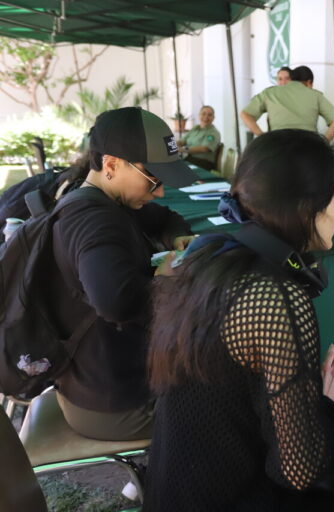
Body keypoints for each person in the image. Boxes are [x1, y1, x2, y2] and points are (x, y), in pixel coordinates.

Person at [144, 130, 334, 511]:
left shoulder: (212, 255)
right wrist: (326, 404)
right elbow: (296, 471)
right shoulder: (276, 297)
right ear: (307, 207)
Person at [49, 106, 199, 440]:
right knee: (235, 399)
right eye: (153, 180)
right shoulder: (93, 221)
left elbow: (165, 216)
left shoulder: (108, 200)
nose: (158, 191)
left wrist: (176, 237)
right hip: (116, 404)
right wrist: (165, 277)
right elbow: (116, 302)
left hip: (103, 383)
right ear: (112, 164)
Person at [240, 65, 334, 140]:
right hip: (308, 148)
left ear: (291, 78)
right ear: (309, 81)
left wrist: (262, 137)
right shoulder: (316, 95)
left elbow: (245, 114)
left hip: (276, 146)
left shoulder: (269, 93)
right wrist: (325, 141)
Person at [179, 105, 221, 171]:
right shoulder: (195, 129)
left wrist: (182, 149)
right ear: (199, 116)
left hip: (203, 163)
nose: (206, 117)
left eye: (209, 115)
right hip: (189, 159)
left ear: (213, 118)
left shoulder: (213, 133)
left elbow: (204, 149)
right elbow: (182, 141)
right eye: (203, 114)